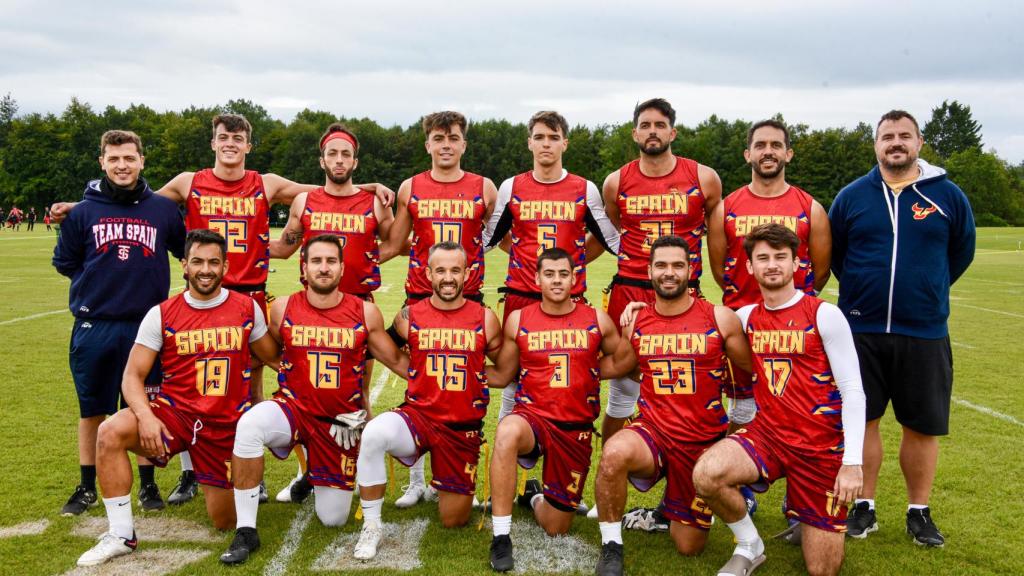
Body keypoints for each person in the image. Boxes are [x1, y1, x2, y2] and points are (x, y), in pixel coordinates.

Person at [75, 229, 280, 567]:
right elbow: (132, 377)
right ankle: (121, 533)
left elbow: (274, 358)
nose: (205, 269)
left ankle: (227, 480)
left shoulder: (247, 308)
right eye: (197, 261)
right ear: (184, 265)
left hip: (227, 424)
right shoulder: (162, 313)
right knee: (110, 431)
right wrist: (147, 416)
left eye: (214, 262)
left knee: (225, 520)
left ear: (225, 267)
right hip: (177, 415)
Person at [828, 110, 975, 547]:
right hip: (862, 331)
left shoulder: (947, 195)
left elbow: (960, 253)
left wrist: (926, 290)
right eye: (887, 136)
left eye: (904, 136)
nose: (896, 143)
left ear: (919, 143)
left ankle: (919, 512)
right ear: (875, 145)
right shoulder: (853, 196)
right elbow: (836, 255)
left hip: (924, 331)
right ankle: (864, 506)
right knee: (864, 419)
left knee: (922, 425)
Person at [219, 235, 409, 564]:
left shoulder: (365, 312)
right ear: (303, 267)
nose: (324, 268)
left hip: (338, 423)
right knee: (249, 424)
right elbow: (267, 352)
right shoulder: (281, 308)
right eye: (316, 261)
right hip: (293, 409)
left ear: (341, 268)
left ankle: (315, 473)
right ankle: (246, 530)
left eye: (330, 261)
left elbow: (395, 361)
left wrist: (446, 376)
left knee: (332, 518)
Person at [692, 223, 866, 576]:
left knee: (823, 569)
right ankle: (749, 544)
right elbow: (692, 318)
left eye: (780, 257)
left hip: (819, 447)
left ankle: (806, 509)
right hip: (767, 436)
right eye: (763, 258)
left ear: (796, 263)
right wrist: (637, 305)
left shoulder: (824, 314)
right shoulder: (745, 318)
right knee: (707, 474)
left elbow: (853, 390)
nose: (772, 265)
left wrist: (851, 462)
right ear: (751, 267)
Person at [593, 235, 753, 576]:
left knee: (689, 546)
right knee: (615, 452)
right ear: (649, 270)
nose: (670, 273)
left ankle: (661, 515)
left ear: (690, 269)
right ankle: (611, 545)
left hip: (701, 441)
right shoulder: (638, 321)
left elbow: (754, 369)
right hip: (652, 432)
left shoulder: (720, 318)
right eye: (662, 265)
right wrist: (551, 362)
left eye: (677, 265)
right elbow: (618, 365)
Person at [52, 130, 186, 517]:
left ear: (142, 160)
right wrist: (98, 287)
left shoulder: (161, 209)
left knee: (147, 404)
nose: (122, 166)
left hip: (148, 327)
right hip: (96, 325)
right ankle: (86, 486)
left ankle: (148, 485)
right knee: (92, 410)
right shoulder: (82, 212)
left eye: (129, 158)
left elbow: (184, 251)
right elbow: (67, 263)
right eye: (114, 159)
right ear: (102, 163)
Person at [706, 118, 833, 522]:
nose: (768, 151)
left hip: (795, 332)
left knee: (799, 412)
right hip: (745, 326)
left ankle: (799, 497)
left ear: (788, 153)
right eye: (760, 144)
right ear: (748, 154)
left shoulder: (809, 207)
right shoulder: (727, 206)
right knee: (742, 405)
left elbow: (820, 269)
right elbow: (719, 269)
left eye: (776, 145)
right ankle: (742, 485)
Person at [268, 123, 401, 503]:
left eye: (346, 154)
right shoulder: (304, 203)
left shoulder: (374, 201)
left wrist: (369, 260)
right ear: (322, 159)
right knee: (303, 393)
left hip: (358, 308)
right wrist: (235, 250)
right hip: (311, 307)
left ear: (355, 161)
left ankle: (360, 467)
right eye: (333, 153)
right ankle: (306, 471)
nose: (339, 160)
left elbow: (393, 242)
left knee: (355, 394)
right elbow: (285, 247)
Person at [352, 241, 502, 560]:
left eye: (455, 270)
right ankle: (372, 525)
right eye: (441, 270)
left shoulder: (485, 318)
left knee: (454, 520)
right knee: (375, 433)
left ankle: (441, 483)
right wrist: (415, 373)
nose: (448, 277)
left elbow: (504, 369)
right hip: (419, 416)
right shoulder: (410, 316)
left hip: (461, 430)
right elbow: (383, 349)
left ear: (468, 274)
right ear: (428, 273)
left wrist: (468, 374)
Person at [385, 111, 498, 507]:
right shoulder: (410, 186)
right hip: (419, 299)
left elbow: (506, 237)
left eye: (453, 138)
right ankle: (416, 479)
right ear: (428, 144)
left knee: (463, 386)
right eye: (438, 137)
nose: (446, 144)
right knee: (419, 384)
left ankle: (455, 471)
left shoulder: (484, 188)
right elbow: (396, 242)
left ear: (464, 144)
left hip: (468, 299)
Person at [485, 248, 621, 572]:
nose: (557, 280)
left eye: (563, 274)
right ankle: (501, 537)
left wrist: (588, 367)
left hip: (575, 429)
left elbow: (624, 359)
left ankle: (533, 496)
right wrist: (460, 361)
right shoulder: (519, 320)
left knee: (556, 526)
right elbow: (504, 374)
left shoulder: (597, 319)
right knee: (506, 430)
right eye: (550, 274)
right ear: (537, 278)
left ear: (574, 278)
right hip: (533, 419)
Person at [599, 98, 724, 448]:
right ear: (635, 132)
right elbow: (616, 227)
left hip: (683, 291)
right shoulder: (616, 181)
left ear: (673, 131)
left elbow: (715, 237)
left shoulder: (703, 177)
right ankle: (613, 472)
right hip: (631, 288)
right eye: (645, 125)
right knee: (622, 389)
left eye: (659, 125)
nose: (652, 131)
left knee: (690, 383)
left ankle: (694, 474)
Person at [483, 110, 619, 421]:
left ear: (565, 144)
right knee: (512, 381)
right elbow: (489, 239)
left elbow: (612, 241)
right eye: (540, 137)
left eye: (554, 138)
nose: (547, 144)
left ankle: (561, 448)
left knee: (565, 382)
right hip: (521, 298)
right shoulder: (511, 187)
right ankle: (514, 452)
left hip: (568, 302)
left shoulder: (584, 188)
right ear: (529, 143)